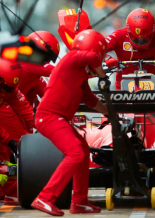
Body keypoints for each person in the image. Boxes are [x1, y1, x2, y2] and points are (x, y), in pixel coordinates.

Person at [31, 30, 109, 216]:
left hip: (57, 118)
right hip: (49, 116)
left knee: (83, 150)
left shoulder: (80, 73)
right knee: (75, 152)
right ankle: (45, 197)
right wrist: (103, 77)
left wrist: (111, 112)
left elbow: (90, 100)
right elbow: (91, 57)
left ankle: (79, 202)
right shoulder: (72, 58)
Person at [104, 8, 155, 90]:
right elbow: (98, 49)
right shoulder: (119, 35)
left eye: (145, 38)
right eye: (136, 39)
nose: (141, 42)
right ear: (128, 30)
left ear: (152, 30)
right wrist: (107, 58)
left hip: (151, 88)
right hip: (123, 90)